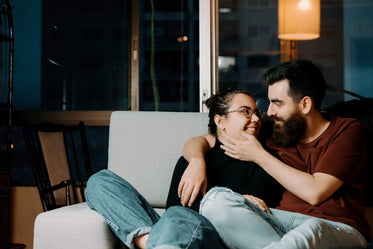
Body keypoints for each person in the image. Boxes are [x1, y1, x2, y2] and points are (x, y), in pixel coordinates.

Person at [181, 60, 370, 249]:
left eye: (277, 103)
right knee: (215, 200)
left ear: (305, 104)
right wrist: (197, 162)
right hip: (276, 223)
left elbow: (315, 192)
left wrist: (258, 154)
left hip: (336, 228)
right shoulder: (275, 129)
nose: (269, 112)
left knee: (312, 229)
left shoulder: (347, 131)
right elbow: (204, 140)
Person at [85, 89, 283, 249]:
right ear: (220, 121)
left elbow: (246, 219)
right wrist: (197, 162)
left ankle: (154, 243)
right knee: (100, 181)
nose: (256, 119)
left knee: (179, 216)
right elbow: (174, 207)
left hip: (216, 239)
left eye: (257, 112)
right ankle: (150, 242)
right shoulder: (193, 158)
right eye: (245, 111)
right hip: (175, 231)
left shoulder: (266, 162)